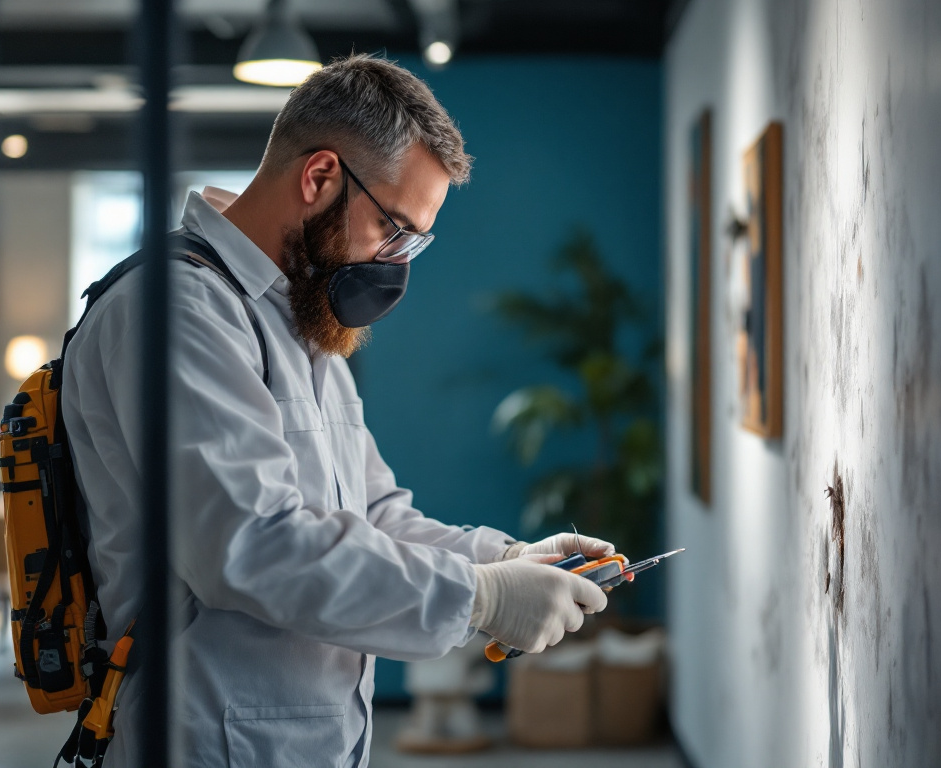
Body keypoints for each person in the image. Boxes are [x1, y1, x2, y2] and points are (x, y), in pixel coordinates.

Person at [62, 53, 614, 768]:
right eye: (393, 228)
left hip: (301, 743)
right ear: (320, 177)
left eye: (415, 240)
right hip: (204, 744)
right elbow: (250, 543)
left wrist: (502, 559)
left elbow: (376, 515)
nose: (395, 263)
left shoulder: (301, 323)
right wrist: (479, 598)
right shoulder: (176, 313)